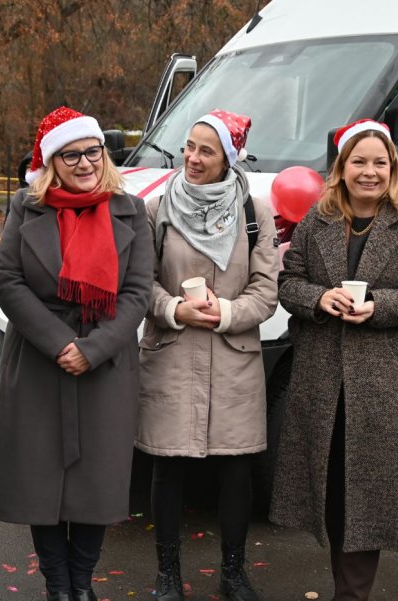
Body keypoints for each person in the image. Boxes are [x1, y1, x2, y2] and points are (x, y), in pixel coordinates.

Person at [269, 119, 398, 601]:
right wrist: (318, 298)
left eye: (380, 162)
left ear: (392, 169)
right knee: (332, 489)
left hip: (382, 383)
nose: (369, 172)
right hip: (323, 380)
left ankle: (351, 595)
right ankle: (343, 589)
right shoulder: (317, 221)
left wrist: (379, 306)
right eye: (359, 161)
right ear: (342, 168)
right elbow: (288, 284)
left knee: (365, 496)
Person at [0, 106, 152, 601]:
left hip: (106, 361)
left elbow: (137, 293)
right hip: (39, 358)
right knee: (40, 480)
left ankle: (82, 584)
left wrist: (92, 350)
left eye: (92, 152)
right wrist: (60, 344)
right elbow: (9, 281)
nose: (85, 163)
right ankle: (58, 586)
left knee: (97, 481)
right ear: (52, 163)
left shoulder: (131, 209)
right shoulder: (26, 206)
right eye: (71, 155)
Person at [137, 109, 279, 601]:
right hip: (172, 353)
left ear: (228, 159)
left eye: (206, 151)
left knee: (236, 469)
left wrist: (227, 312)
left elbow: (266, 290)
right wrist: (173, 308)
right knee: (167, 467)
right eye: (189, 147)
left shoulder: (254, 212)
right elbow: (141, 284)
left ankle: (234, 573)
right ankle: (167, 575)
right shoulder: (157, 209)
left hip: (233, 354)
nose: (192, 158)